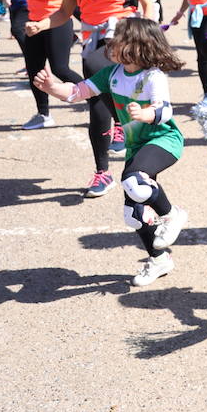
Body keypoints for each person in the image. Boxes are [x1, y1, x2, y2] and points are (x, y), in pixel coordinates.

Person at [33, 18, 189, 286]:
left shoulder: (153, 76)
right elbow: (76, 91)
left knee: (134, 181)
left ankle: (172, 215)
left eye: (119, 39)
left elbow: (165, 111)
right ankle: (159, 261)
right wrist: (52, 88)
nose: (111, 43)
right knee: (133, 214)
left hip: (164, 139)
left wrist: (145, 113)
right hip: (137, 145)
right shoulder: (112, 74)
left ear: (139, 45)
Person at [25, 0, 158, 197]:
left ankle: (127, 127)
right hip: (91, 38)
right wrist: (41, 24)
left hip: (123, 35)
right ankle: (103, 172)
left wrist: (147, 38)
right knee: (96, 105)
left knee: (99, 74)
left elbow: (148, 3)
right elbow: (63, 12)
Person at [15, 0, 80, 130]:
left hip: (56, 21)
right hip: (34, 24)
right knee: (35, 71)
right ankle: (43, 114)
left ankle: (98, 99)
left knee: (60, 69)